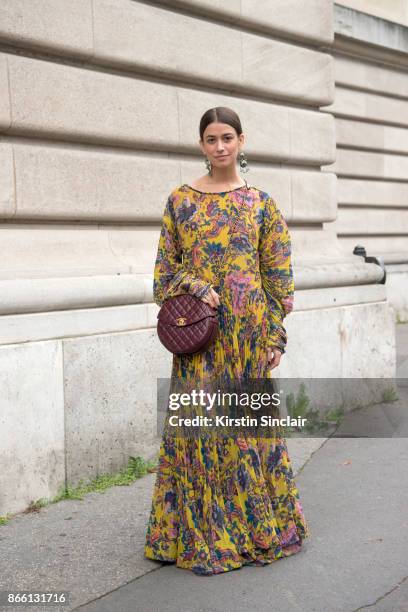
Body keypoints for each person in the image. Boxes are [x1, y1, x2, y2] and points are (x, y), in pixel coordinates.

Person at [144, 106, 310, 575]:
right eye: (211, 139)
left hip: (248, 337)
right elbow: (162, 277)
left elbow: (279, 275)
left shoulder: (260, 203)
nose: (220, 147)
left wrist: (276, 333)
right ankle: (199, 536)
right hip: (198, 336)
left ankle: (257, 531)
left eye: (228, 138)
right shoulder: (180, 201)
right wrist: (196, 287)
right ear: (201, 144)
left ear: (241, 141)